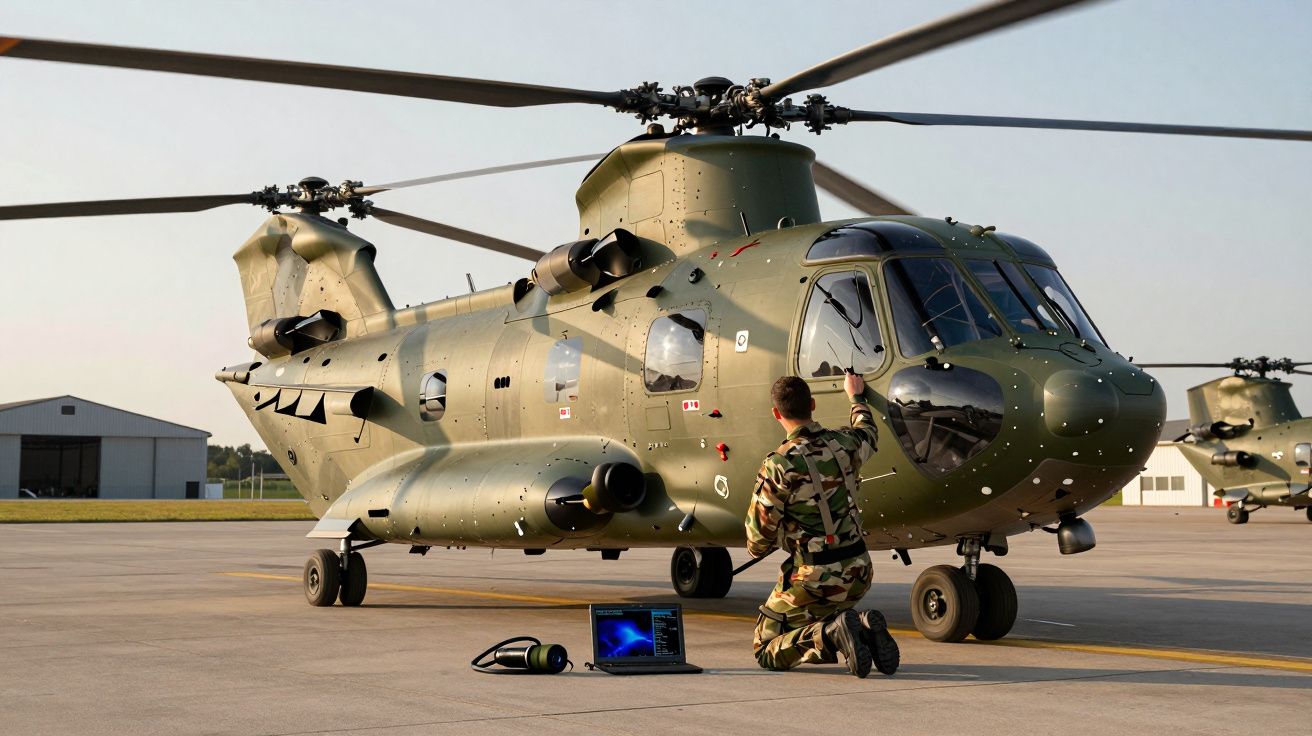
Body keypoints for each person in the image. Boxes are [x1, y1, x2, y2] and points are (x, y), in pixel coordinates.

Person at [745, 372, 899, 677]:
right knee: (826, 611)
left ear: (776, 413)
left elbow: (757, 540)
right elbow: (867, 431)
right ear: (812, 405)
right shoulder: (844, 443)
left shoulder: (779, 464)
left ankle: (829, 636)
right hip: (859, 571)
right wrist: (856, 398)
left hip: (815, 580)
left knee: (765, 648)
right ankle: (864, 630)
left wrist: (778, 538)